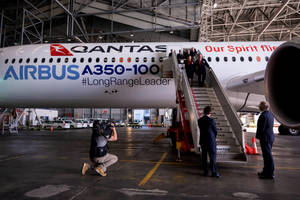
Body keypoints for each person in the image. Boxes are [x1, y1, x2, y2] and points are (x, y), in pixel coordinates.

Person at [198, 106, 219, 178]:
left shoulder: (200, 120)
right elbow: (215, 131)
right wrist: (213, 137)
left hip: (203, 141)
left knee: (204, 157)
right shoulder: (211, 120)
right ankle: (214, 172)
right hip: (211, 141)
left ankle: (205, 172)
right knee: (212, 157)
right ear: (210, 112)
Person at [256, 101, 275, 179]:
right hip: (270, 137)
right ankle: (265, 171)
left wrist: (258, 136)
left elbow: (261, 128)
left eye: (259, 106)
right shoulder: (270, 114)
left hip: (265, 138)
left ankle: (269, 174)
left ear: (262, 107)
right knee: (267, 156)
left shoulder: (263, 116)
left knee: (267, 156)